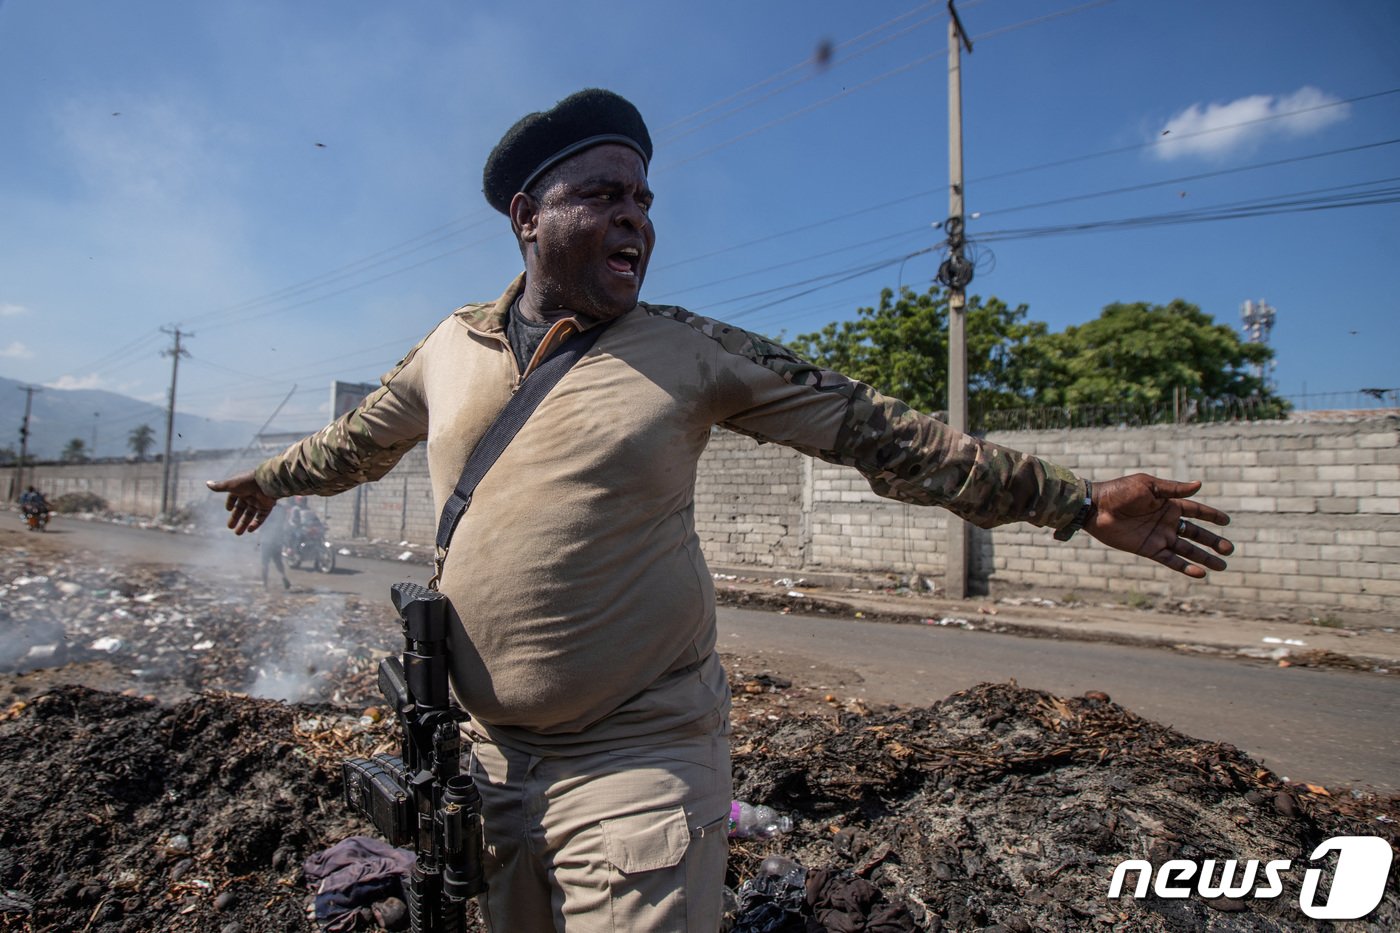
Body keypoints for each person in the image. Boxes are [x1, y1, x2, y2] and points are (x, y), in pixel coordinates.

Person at [209, 89, 1233, 932]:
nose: (636, 219)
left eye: (645, 202)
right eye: (604, 194)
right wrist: (268, 481)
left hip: (638, 748)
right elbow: (355, 444)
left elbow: (881, 433)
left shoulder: (690, 353)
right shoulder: (446, 348)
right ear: (526, 215)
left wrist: (1071, 501)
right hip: (485, 757)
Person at [257, 503, 292, 590]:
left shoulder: (264, 507)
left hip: (265, 541)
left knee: (265, 564)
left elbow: (260, 525)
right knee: (278, 562)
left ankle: (265, 585)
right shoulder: (281, 509)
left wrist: (257, 541)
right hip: (277, 540)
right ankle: (283, 576)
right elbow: (285, 525)